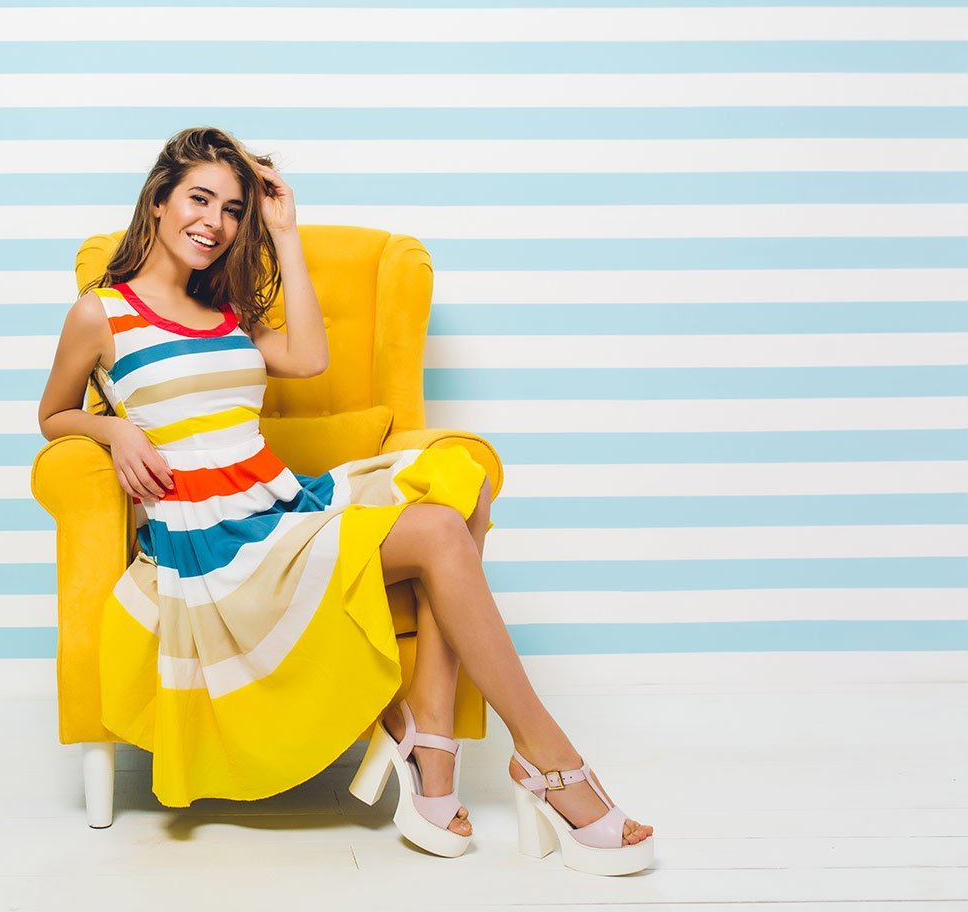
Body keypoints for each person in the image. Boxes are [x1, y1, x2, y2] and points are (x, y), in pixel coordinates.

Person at [36, 127, 653, 874]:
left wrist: (284, 228)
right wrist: (111, 430)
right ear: (159, 200)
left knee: (461, 481)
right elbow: (52, 415)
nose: (214, 222)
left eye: (232, 209)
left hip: (280, 503)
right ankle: (545, 759)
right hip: (215, 544)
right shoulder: (102, 314)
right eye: (199, 199)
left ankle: (431, 746)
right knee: (437, 532)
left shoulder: (227, 310)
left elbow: (309, 357)